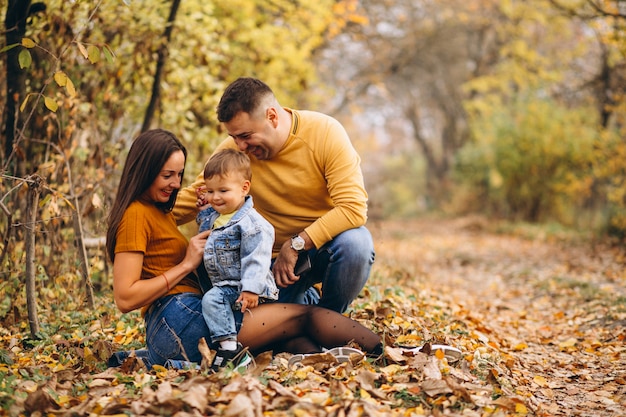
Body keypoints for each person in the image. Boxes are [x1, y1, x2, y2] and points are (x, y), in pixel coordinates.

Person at [106, 128, 384, 371]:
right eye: (168, 175)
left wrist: (207, 209)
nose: (177, 184)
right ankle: (386, 352)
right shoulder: (135, 215)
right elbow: (125, 297)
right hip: (180, 321)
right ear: (144, 170)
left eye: (179, 175)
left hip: (187, 315)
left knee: (284, 335)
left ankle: (327, 358)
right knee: (303, 316)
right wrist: (186, 265)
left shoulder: (158, 210)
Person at [174, 77, 375, 314]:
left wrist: (296, 244)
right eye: (234, 137)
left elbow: (353, 208)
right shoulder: (234, 151)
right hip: (261, 265)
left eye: (246, 136)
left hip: (318, 250)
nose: (240, 146)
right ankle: (302, 306)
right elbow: (192, 198)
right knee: (273, 333)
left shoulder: (325, 133)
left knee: (356, 244)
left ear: (272, 116)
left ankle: (329, 320)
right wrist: (136, 217)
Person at [196, 149, 278, 371]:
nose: (216, 197)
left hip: (245, 287)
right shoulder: (217, 216)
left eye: (223, 190)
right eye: (210, 191)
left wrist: (251, 289)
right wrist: (204, 210)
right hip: (228, 285)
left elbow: (258, 259)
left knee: (212, 300)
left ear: (244, 188)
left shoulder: (252, 224)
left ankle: (231, 351)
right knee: (213, 298)